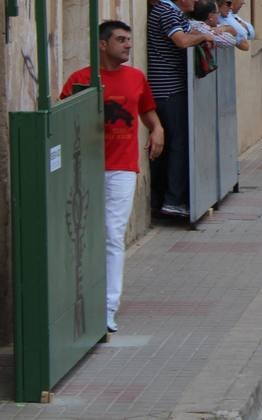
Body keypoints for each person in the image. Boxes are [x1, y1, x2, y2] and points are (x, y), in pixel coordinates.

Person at [60, 20, 164, 334]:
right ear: (103, 45)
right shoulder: (80, 79)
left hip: (121, 168)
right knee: (80, 234)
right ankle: (76, 301)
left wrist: (157, 128)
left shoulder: (136, 78)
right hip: (85, 168)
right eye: (121, 40)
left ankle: (107, 307)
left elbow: (147, 110)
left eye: (129, 40)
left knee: (112, 233)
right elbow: (63, 116)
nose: (128, 45)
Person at [147, 0, 218, 218]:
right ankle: (172, 200)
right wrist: (204, 36)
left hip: (170, 88)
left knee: (175, 144)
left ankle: (170, 197)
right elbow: (181, 40)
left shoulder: (171, 12)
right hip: (168, 90)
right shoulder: (167, 13)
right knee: (177, 145)